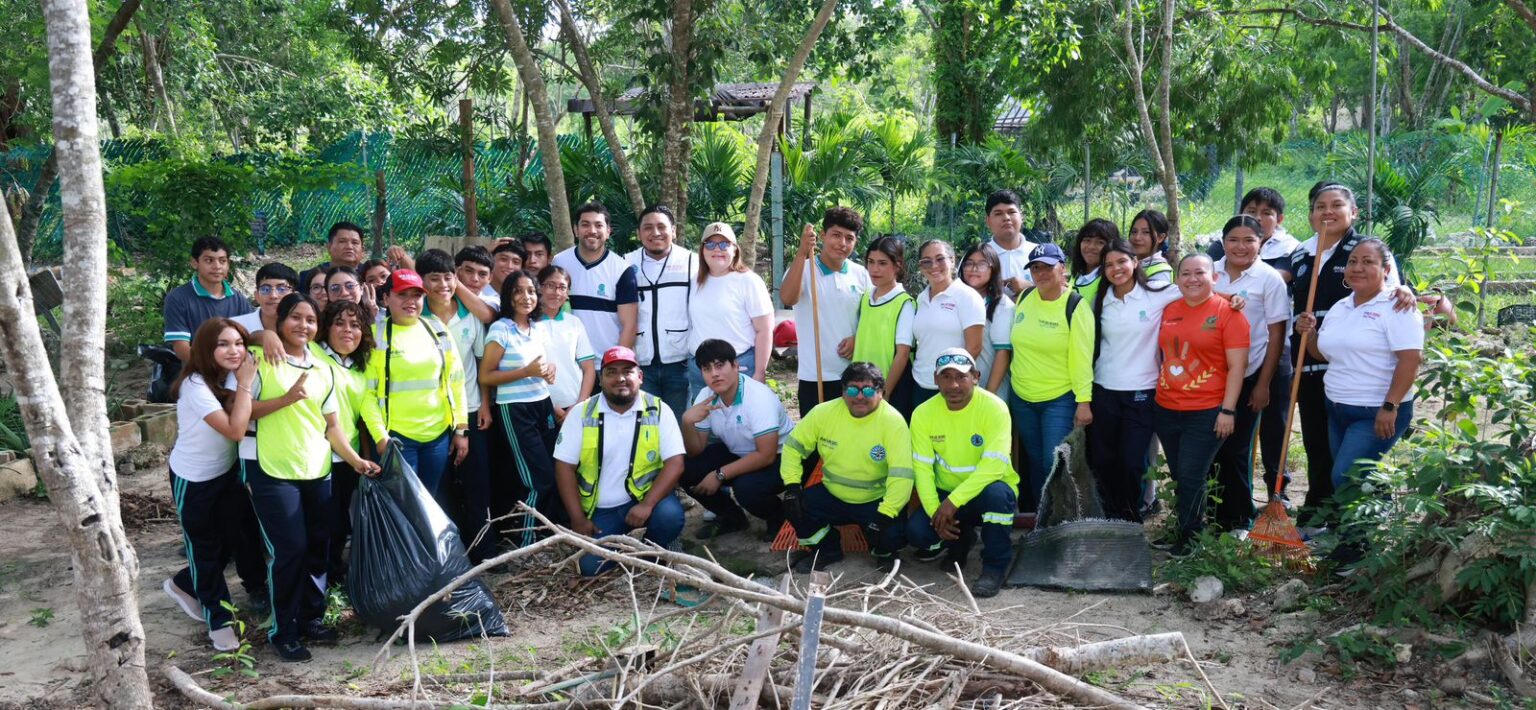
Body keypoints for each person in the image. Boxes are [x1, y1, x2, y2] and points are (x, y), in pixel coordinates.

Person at [243, 294, 377, 662]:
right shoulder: (258, 358)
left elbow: (332, 426)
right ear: (280, 320)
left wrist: (356, 461)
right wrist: (285, 396)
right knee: (290, 549)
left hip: (317, 468)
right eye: (295, 318)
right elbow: (240, 411)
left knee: (319, 545)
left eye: (310, 320)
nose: (303, 325)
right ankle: (283, 630)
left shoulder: (322, 369)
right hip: (271, 467)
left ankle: (311, 618)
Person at [1287, 181, 1411, 527]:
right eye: (1320, 206)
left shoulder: (1366, 251)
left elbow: (1395, 292)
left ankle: (1357, 518)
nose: (1327, 212)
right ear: (1311, 215)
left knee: (1351, 458)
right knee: (1317, 443)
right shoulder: (1301, 254)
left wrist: (1407, 292)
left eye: (1336, 205)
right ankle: (1319, 509)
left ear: (1353, 212)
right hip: (1311, 360)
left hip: (1357, 368)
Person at [1293, 238, 1422, 566]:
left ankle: (1357, 548)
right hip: (1337, 408)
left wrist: (1390, 406)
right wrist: (1310, 333)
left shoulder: (1398, 306)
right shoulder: (1341, 307)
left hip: (1376, 411)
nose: (1358, 268)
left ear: (1386, 269)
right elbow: (1323, 353)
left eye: (1368, 262)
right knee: (1352, 477)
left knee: (1346, 477)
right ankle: (1361, 534)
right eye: (1353, 261)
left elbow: (1410, 360)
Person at [162, 318, 265, 652]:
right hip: (194, 480)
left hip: (226, 473)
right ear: (206, 348)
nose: (234, 351)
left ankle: (183, 583)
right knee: (204, 549)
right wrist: (246, 384)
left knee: (230, 541)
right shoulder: (195, 385)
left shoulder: (227, 375)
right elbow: (235, 430)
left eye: (239, 344)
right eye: (223, 344)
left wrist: (267, 338)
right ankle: (219, 622)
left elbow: (260, 337)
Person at [553, 346, 687, 577]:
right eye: (611, 372)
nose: (620, 378)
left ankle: (650, 554)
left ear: (640, 377)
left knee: (670, 516)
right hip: (601, 510)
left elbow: (676, 462)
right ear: (601, 379)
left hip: (645, 499)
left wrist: (647, 505)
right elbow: (564, 467)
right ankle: (624, 551)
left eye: (627, 371)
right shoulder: (581, 413)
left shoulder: (658, 409)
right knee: (589, 568)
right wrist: (578, 519)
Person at [1153, 254, 1251, 556]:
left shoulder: (1229, 313)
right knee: (1180, 474)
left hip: (1206, 410)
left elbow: (1238, 367)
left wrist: (1228, 410)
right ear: (1177, 279)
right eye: (1185, 273)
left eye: (1200, 273)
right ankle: (1184, 527)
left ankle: (1193, 538)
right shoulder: (1169, 308)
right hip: (1166, 407)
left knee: (1192, 474)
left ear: (1214, 277)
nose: (1192, 279)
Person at [780, 362, 912, 573]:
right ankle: (827, 550)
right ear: (842, 391)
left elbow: (902, 475)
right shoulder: (822, 413)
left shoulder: (893, 422)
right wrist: (792, 485)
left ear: (881, 393)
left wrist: (886, 514)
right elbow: (793, 448)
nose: (859, 396)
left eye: (868, 390)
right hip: (833, 494)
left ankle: (884, 553)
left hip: (875, 499)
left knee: (893, 535)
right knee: (795, 507)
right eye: (852, 390)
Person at [908, 348, 1017, 598]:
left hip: (987, 491)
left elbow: (994, 467)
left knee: (997, 497)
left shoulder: (995, 408)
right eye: (946, 377)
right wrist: (935, 511)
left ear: (976, 377)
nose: (953, 385)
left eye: (961, 377)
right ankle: (960, 541)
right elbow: (922, 469)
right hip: (947, 494)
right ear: (935, 380)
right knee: (917, 532)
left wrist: (952, 502)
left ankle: (995, 567)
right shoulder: (923, 413)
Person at [1088, 238, 1182, 522]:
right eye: (1109, 265)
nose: (1116, 269)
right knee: (1103, 458)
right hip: (1104, 388)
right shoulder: (1100, 300)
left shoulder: (1156, 293)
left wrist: (1232, 298)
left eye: (1122, 261)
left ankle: (1131, 516)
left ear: (1135, 262)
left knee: (1132, 460)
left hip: (1142, 391)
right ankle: (1109, 515)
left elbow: (1198, 290)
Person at [1208, 215, 1290, 533]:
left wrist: (1264, 384)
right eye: (1233, 240)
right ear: (1223, 242)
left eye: (1249, 240)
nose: (1240, 247)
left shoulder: (1269, 279)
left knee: (1236, 450)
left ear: (1261, 243)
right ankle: (1214, 517)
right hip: (1208, 376)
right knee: (1210, 449)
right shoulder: (1209, 272)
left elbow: (1276, 335)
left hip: (1249, 374)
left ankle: (1240, 518)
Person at [417, 250, 497, 562]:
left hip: (472, 409)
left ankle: (484, 552)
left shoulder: (470, 316)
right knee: (441, 487)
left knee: (479, 483)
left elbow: (480, 362)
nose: (443, 285)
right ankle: (448, 557)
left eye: (448, 277)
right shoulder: (416, 317)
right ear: (423, 282)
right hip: (432, 415)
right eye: (434, 279)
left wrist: (485, 405)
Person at [1007, 243, 1095, 509]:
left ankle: (1062, 517)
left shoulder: (1075, 306)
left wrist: (1084, 402)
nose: (1041, 273)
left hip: (1058, 399)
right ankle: (1041, 516)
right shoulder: (1024, 297)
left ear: (1062, 268)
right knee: (1035, 460)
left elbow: (1082, 358)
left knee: (1053, 463)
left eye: (1047, 267)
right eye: (1035, 268)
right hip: (1022, 397)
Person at [367, 270, 468, 498]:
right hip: (396, 438)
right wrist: (380, 436)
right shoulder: (375, 337)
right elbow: (367, 395)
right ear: (386, 298)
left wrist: (461, 429)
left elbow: (456, 383)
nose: (411, 301)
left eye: (417, 295)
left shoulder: (438, 331)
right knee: (405, 503)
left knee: (430, 500)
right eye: (402, 294)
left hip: (438, 437)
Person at [678, 339, 792, 541]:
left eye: (720, 365)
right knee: (685, 468)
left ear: (736, 366)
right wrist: (687, 422)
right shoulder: (706, 396)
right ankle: (732, 518)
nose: (714, 373)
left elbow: (766, 455)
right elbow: (696, 451)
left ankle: (780, 516)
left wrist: (719, 474)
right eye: (707, 368)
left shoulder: (758, 397)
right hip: (740, 452)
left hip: (782, 456)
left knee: (746, 488)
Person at [482, 269, 560, 547]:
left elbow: (542, 365)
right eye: (518, 291)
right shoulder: (501, 329)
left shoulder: (536, 327)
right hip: (515, 409)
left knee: (552, 471)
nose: (526, 297)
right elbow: (486, 376)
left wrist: (549, 370)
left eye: (530, 291)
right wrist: (526, 372)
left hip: (542, 403)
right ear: (508, 296)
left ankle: (545, 534)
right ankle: (526, 544)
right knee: (537, 480)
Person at [314, 300, 387, 580]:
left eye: (355, 325)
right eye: (340, 323)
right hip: (320, 457)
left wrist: (378, 443)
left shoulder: (360, 368)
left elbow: (366, 411)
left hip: (349, 457)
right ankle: (322, 581)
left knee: (341, 523)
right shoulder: (314, 355)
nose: (348, 330)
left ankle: (335, 578)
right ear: (326, 328)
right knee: (325, 524)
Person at [780, 206, 872, 416]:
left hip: (855, 375)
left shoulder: (861, 274)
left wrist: (858, 338)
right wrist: (802, 252)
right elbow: (788, 298)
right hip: (815, 375)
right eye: (836, 235)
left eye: (849, 238)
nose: (842, 243)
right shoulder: (803, 269)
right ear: (822, 235)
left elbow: (870, 317)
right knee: (818, 435)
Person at [628, 205, 698, 415]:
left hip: (680, 362)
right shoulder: (626, 263)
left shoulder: (692, 262)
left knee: (678, 423)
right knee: (646, 423)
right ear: (639, 233)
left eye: (661, 226)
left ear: (673, 231)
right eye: (648, 227)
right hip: (641, 362)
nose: (655, 232)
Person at [687, 223, 773, 393]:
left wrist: (759, 372)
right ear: (702, 250)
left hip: (739, 367)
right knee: (703, 411)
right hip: (700, 369)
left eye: (724, 244)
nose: (716, 249)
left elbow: (764, 330)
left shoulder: (749, 281)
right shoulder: (694, 281)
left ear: (734, 249)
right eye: (710, 244)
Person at [552, 203, 639, 354]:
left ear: (608, 231)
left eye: (599, 225)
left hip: (606, 362)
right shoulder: (559, 262)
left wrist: (617, 362)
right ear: (576, 230)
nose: (592, 231)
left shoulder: (622, 269)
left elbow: (629, 325)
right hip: (567, 361)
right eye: (585, 224)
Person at [911, 239, 986, 407]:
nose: (934, 265)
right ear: (921, 266)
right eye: (927, 261)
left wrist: (951, 381)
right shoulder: (921, 298)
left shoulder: (968, 297)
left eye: (940, 259)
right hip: (919, 383)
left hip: (952, 388)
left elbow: (974, 347)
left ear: (952, 261)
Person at [851, 236, 916, 415]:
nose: (874, 269)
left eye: (882, 263)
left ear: (897, 265)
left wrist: (885, 392)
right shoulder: (866, 297)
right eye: (871, 262)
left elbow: (902, 354)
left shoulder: (904, 303)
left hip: (889, 389)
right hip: (862, 385)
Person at [164, 236, 254, 362]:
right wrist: (214, 369)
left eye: (222, 261)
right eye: (209, 260)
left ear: (228, 264)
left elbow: (250, 336)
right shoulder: (178, 298)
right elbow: (181, 348)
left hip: (233, 367)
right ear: (195, 263)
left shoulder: (237, 299)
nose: (217, 266)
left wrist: (268, 335)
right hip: (197, 368)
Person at [536, 265, 597, 423]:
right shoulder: (527, 323)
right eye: (550, 285)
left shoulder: (574, 323)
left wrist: (579, 404)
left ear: (568, 293)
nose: (556, 292)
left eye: (562, 287)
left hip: (574, 405)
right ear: (539, 287)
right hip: (538, 404)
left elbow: (589, 368)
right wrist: (551, 405)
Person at [958, 243, 1014, 397]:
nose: (974, 269)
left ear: (993, 268)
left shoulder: (1001, 305)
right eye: (969, 263)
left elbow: (1003, 353)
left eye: (982, 264)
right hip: (956, 387)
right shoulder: (956, 298)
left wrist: (989, 394)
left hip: (990, 388)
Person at [1207, 187, 1300, 278]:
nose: (1257, 217)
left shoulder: (1288, 247)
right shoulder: (1222, 243)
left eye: (1266, 213)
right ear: (1241, 215)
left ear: (1279, 219)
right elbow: (1206, 276)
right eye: (1251, 211)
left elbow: (1275, 280)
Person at [982, 190, 1039, 298]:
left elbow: (1058, 292)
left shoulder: (1039, 254)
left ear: (1022, 217)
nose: (1006, 218)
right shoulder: (978, 257)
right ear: (988, 221)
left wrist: (1031, 288)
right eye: (998, 213)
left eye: (1012, 212)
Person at [231, 262, 299, 339]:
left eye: (282, 289)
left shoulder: (302, 328)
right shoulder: (234, 327)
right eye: (265, 289)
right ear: (256, 296)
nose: (273, 296)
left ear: (295, 296)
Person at [299, 221, 367, 292]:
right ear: (329, 247)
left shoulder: (369, 276)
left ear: (362, 249)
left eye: (355, 242)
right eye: (342, 241)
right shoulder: (308, 278)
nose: (349, 247)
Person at [1071, 219, 1115, 302]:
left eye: (1100, 242)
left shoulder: (1110, 282)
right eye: (1087, 240)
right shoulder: (1076, 275)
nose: (1091, 247)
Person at [1128, 209, 1174, 283]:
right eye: (1134, 232)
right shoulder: (1128, 263)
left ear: (1160, 238)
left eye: (1146, 232)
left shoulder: (1161, 273)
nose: (1137, 237)